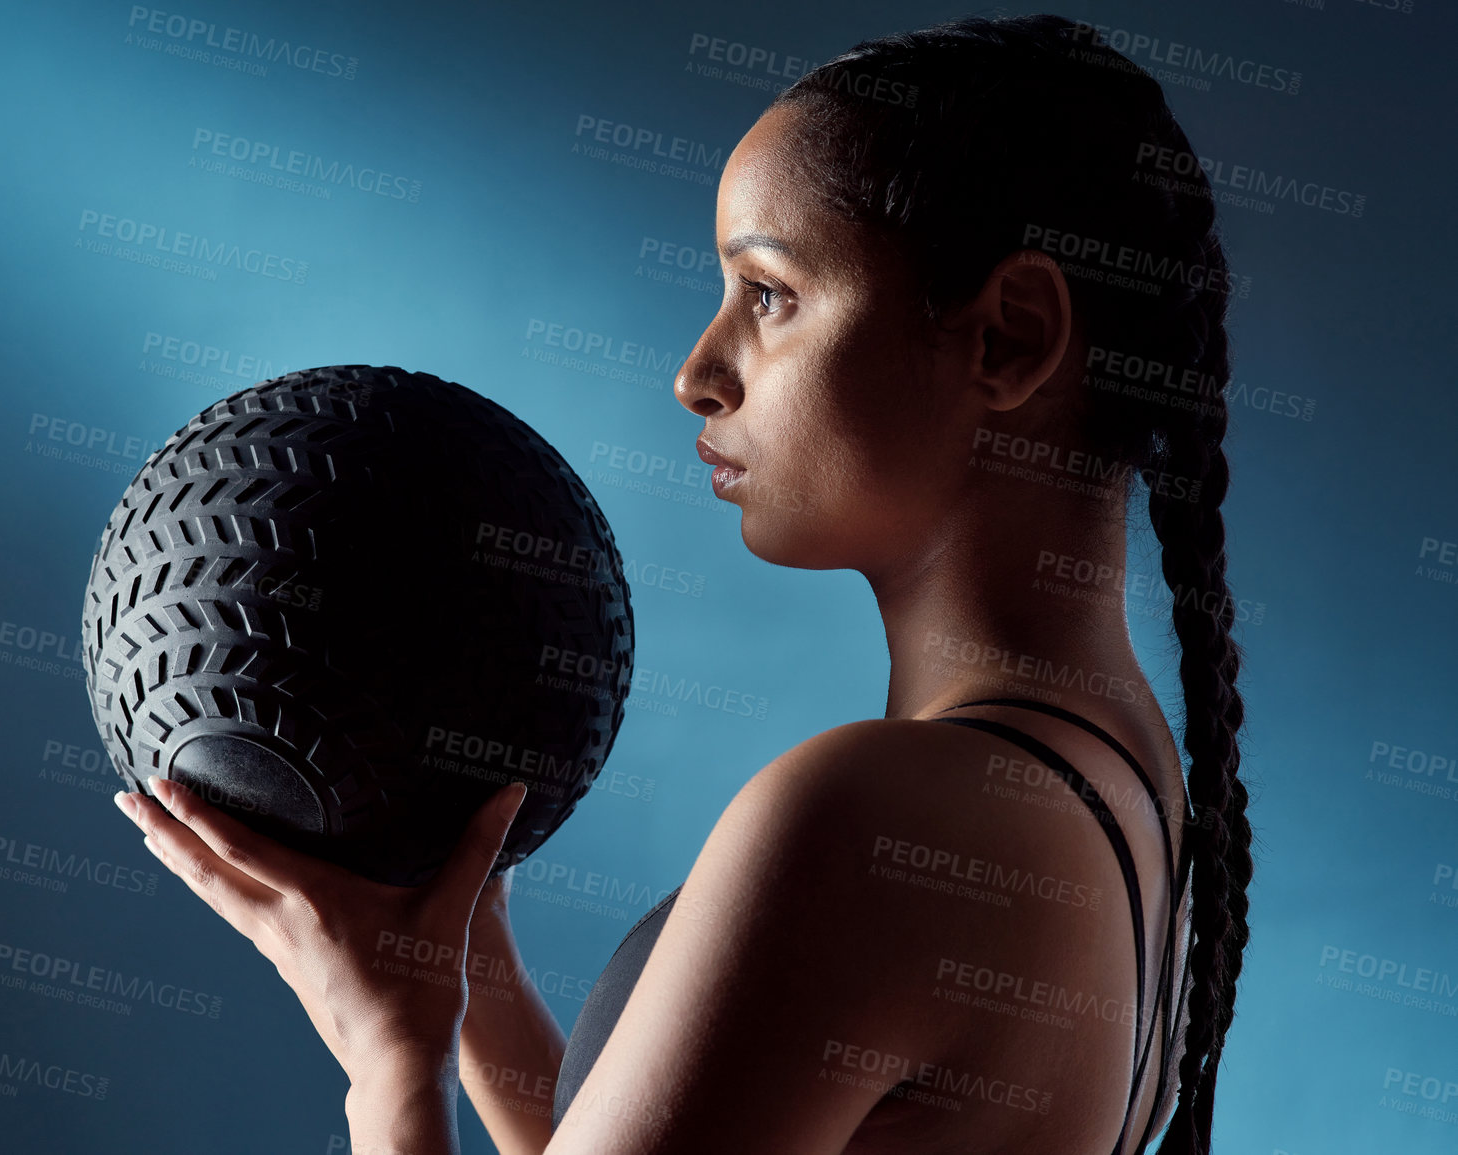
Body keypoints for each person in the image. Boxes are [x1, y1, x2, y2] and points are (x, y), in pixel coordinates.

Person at [114, 13, 1255, 1155]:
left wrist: (390, 1072)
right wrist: (472, 982)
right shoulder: (1124, 782)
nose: (698, 373)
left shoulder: (870, 818)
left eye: (770, 296)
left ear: (1007, 339)